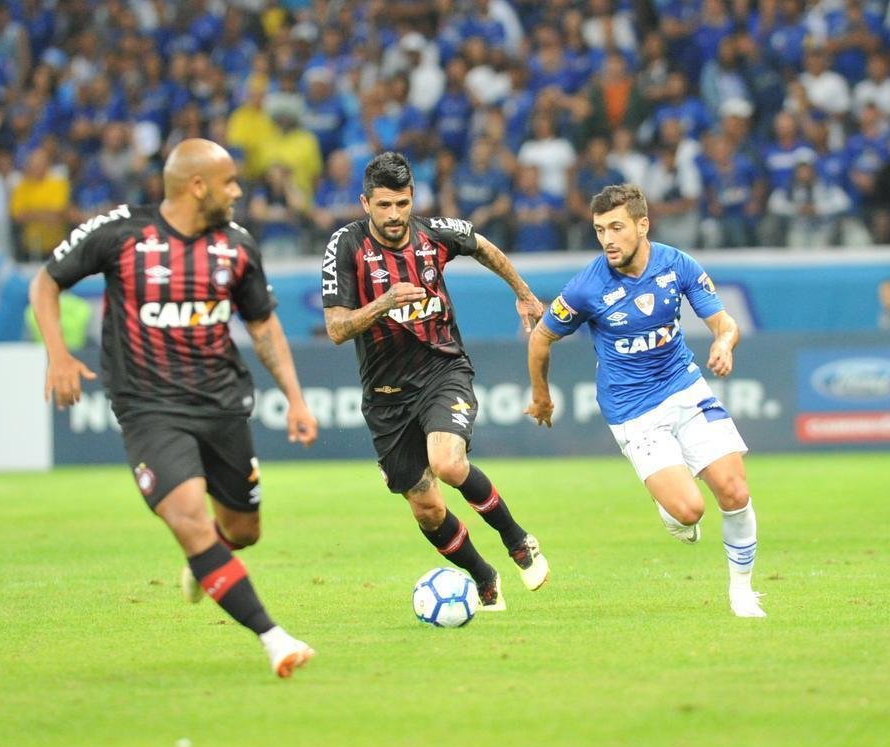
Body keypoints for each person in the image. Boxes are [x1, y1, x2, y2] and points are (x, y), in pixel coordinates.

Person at [28, 139, 320, 678]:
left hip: (222, 404)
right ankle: (274, 638)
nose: (237, 191)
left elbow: (262, 325)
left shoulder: (237, 246)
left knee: (244, 530)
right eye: (230, 182)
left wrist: (296, 398)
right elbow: (46, 281)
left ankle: (205, 562)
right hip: (148, 409)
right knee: (188, 518)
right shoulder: (121, 232)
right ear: (197, 186)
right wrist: (58, 355)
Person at [320, 151, 549, 611]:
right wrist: (383, 303)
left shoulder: (434, 235)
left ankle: (518, 539)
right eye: (383, 205)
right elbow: (336, 329)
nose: (393, 215)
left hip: (443, 370)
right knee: (427, 508)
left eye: (401, 204)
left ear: (412, 199)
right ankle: (484, 578)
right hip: (386, 395)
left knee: (446, 461)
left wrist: (524, 294)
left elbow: (484, 247)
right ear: (365, 203)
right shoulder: (345, 247)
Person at [524, 184, 765, 619]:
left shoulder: (678, 265)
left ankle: (743, 591)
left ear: (642, 224)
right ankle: (669, 501)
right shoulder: (587, 287)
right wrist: (541, 396)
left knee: (735, 490)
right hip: (632, 409)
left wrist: (724, 344)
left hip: (685, 386)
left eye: (616, 228)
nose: (607, 240)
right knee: (690, 511)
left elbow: (724, 322)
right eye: (600, 230)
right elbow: (541, 337)